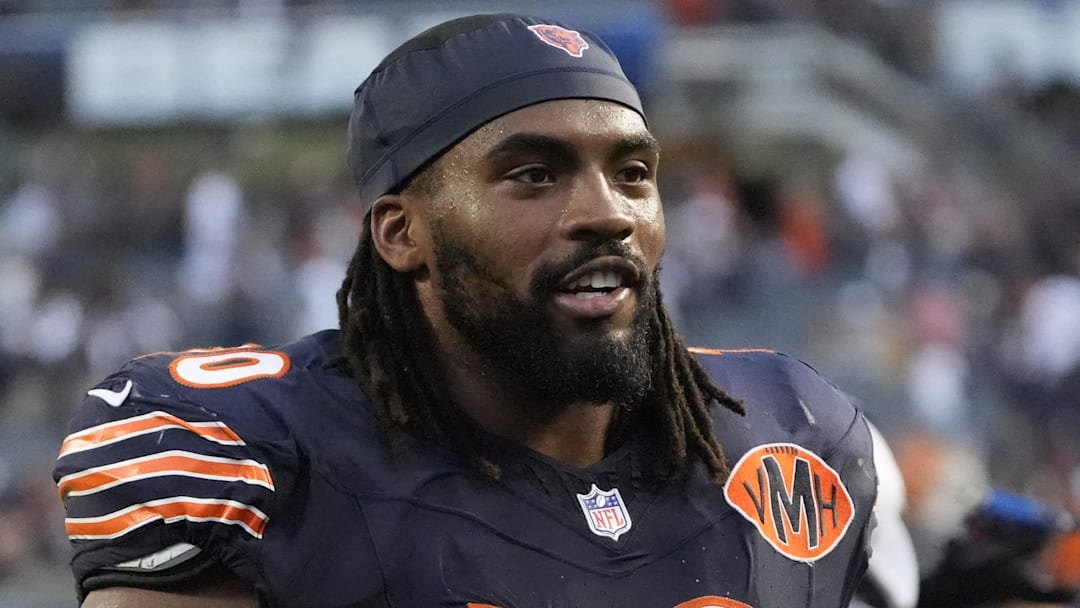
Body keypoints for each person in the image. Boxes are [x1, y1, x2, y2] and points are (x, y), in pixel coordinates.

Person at [53, 13, 877, 608]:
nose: (609, 213)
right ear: (403, 233)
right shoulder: (262, 457)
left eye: (632, 173)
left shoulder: (790, 436)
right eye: (532, 175)